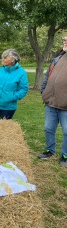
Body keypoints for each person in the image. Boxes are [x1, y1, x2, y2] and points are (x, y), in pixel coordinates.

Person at [37, 36, 67, 167]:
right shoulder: (58, 57)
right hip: (50, 102)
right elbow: (47, 75)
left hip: (66, 106)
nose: (64, 40)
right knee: (48, 128)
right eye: (64, 39)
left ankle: (65, 155)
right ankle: (49, 150)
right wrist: (43, 91)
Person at [0, 49, 29, 119]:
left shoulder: (21, 73)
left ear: (13, 59)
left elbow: (24, 89)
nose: (2, 59)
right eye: (2, 57)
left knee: (4, 128)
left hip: (8, 107)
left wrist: (12, 97)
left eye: (5, 58)